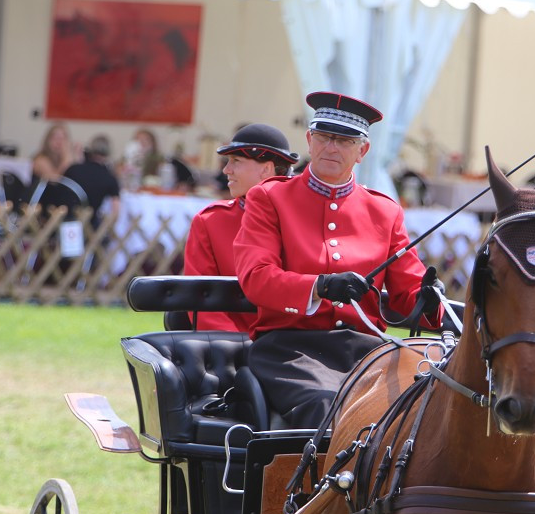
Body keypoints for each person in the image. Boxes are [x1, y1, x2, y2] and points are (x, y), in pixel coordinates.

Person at [233, 92, 443, 429]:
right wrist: (320, 286)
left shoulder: (385, 211)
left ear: (363, 151)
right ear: (309, 140)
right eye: (325, 137)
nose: (332, 147)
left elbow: (408, 293)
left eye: (345, 140)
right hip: (289, 349)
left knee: (429, 405)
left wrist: (429, 298)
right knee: (331, 406)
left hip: (368, 351)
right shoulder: (269, 197)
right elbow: (257, 277)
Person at [184, 123, 298, 332]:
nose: (226, 170)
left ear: (266, 169)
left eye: (236, 161)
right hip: (233, 352)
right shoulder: (210, 222)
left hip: (298, 349)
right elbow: (200, 300)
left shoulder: (305, 218)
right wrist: (239, 347)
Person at [61, 134, 121, 230]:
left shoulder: (73, 169)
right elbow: (116, 210)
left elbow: (60, 186)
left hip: (64, 219)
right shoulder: (109, 177)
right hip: (90, 225)